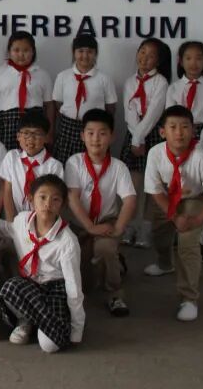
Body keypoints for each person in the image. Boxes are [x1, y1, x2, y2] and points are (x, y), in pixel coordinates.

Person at [144, 106, 203, 321]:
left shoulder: (201, 157)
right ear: (162, 132)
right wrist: (174, 217)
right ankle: (165, 263)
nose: (179, 133)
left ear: (193, 131)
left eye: (184, 127)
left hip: (194, 199)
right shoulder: (155, 153)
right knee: (158, 234)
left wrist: (196, 220)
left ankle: (189, 298)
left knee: (188, 244)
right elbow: (155, 191)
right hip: (166, 198)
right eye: (173, 127)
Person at [0, 175, 85, 352]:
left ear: (63, 205)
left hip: (56, 290)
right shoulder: (22, 221)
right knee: (10, 288)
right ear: (31, 199)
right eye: (42, 197)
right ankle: (27, 320)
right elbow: (6, 228)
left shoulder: (67, 241)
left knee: (49, 346)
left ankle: (49, 322)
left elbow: (74, 287)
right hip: (31, 286)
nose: (48, 204)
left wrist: (77, 330)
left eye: (55, 199)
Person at [64, 108, 136, 316]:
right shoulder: (74, 162)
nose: (96, 139)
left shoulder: (118, 167)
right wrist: (89, 227)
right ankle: (114, 264)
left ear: (112, 137)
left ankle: (115, 294)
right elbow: (72, 197)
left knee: (105, 248)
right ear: (82, 136)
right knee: (86, 282)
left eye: (102, 133)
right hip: (79, 224)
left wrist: (118, 229)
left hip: (106, 222)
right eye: (90, 133)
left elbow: (130, 200)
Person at [166, 40, 203, 261]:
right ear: (180, 61)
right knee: (180, 190)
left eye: (199, 58)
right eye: (188, 58)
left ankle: (199, 241)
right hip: (178, 141)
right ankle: (179, 235)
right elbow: (170, 118)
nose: (193, 63)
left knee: (202, 195)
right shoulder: (173, 88)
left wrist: (197, 146)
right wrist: (181, 144)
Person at [120, 38, 171, 248]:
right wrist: (135, 138)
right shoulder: (130, 82)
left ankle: (146, 229)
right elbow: (129, 111)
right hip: (134, 133)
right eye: (142, 52)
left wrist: (140, 137)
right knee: (132, 185)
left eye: (151, 55)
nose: (144, 58)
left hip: (152, 134)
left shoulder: (161, 82)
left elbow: (154, 113)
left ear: (158, 61)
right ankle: (129, 225)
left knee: (153, 186)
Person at [50, 35, 117, 164]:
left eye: (90, 52)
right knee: (65, 165)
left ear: (95, 54)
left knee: (92, 166)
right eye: (80, 51)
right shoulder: (63, 76)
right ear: (74, 53)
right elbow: (57, 103)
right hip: (67, 128)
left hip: (93, 130)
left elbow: (111, 108)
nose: (85, 56)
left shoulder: (104, 79)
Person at [0, 109, 63, 222]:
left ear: (46, 137)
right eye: (26, 133)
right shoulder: (11, 157)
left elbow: (54, 200)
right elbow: (7, 192)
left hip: (41, 220)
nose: (31, 139)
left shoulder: (55, 166)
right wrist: (11, 222)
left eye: (37, 134)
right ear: (18, 136)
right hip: (14, 217)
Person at [0, 31, 54, 152]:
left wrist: (50, 131)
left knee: (33, 157)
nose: (21, 54)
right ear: (9, 51)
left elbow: (49, 105)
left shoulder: (42, 75)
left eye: (26, 50)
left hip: (35, 124)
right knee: (7, 157)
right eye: (16, 50)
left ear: (33, 52)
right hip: (6, 124)